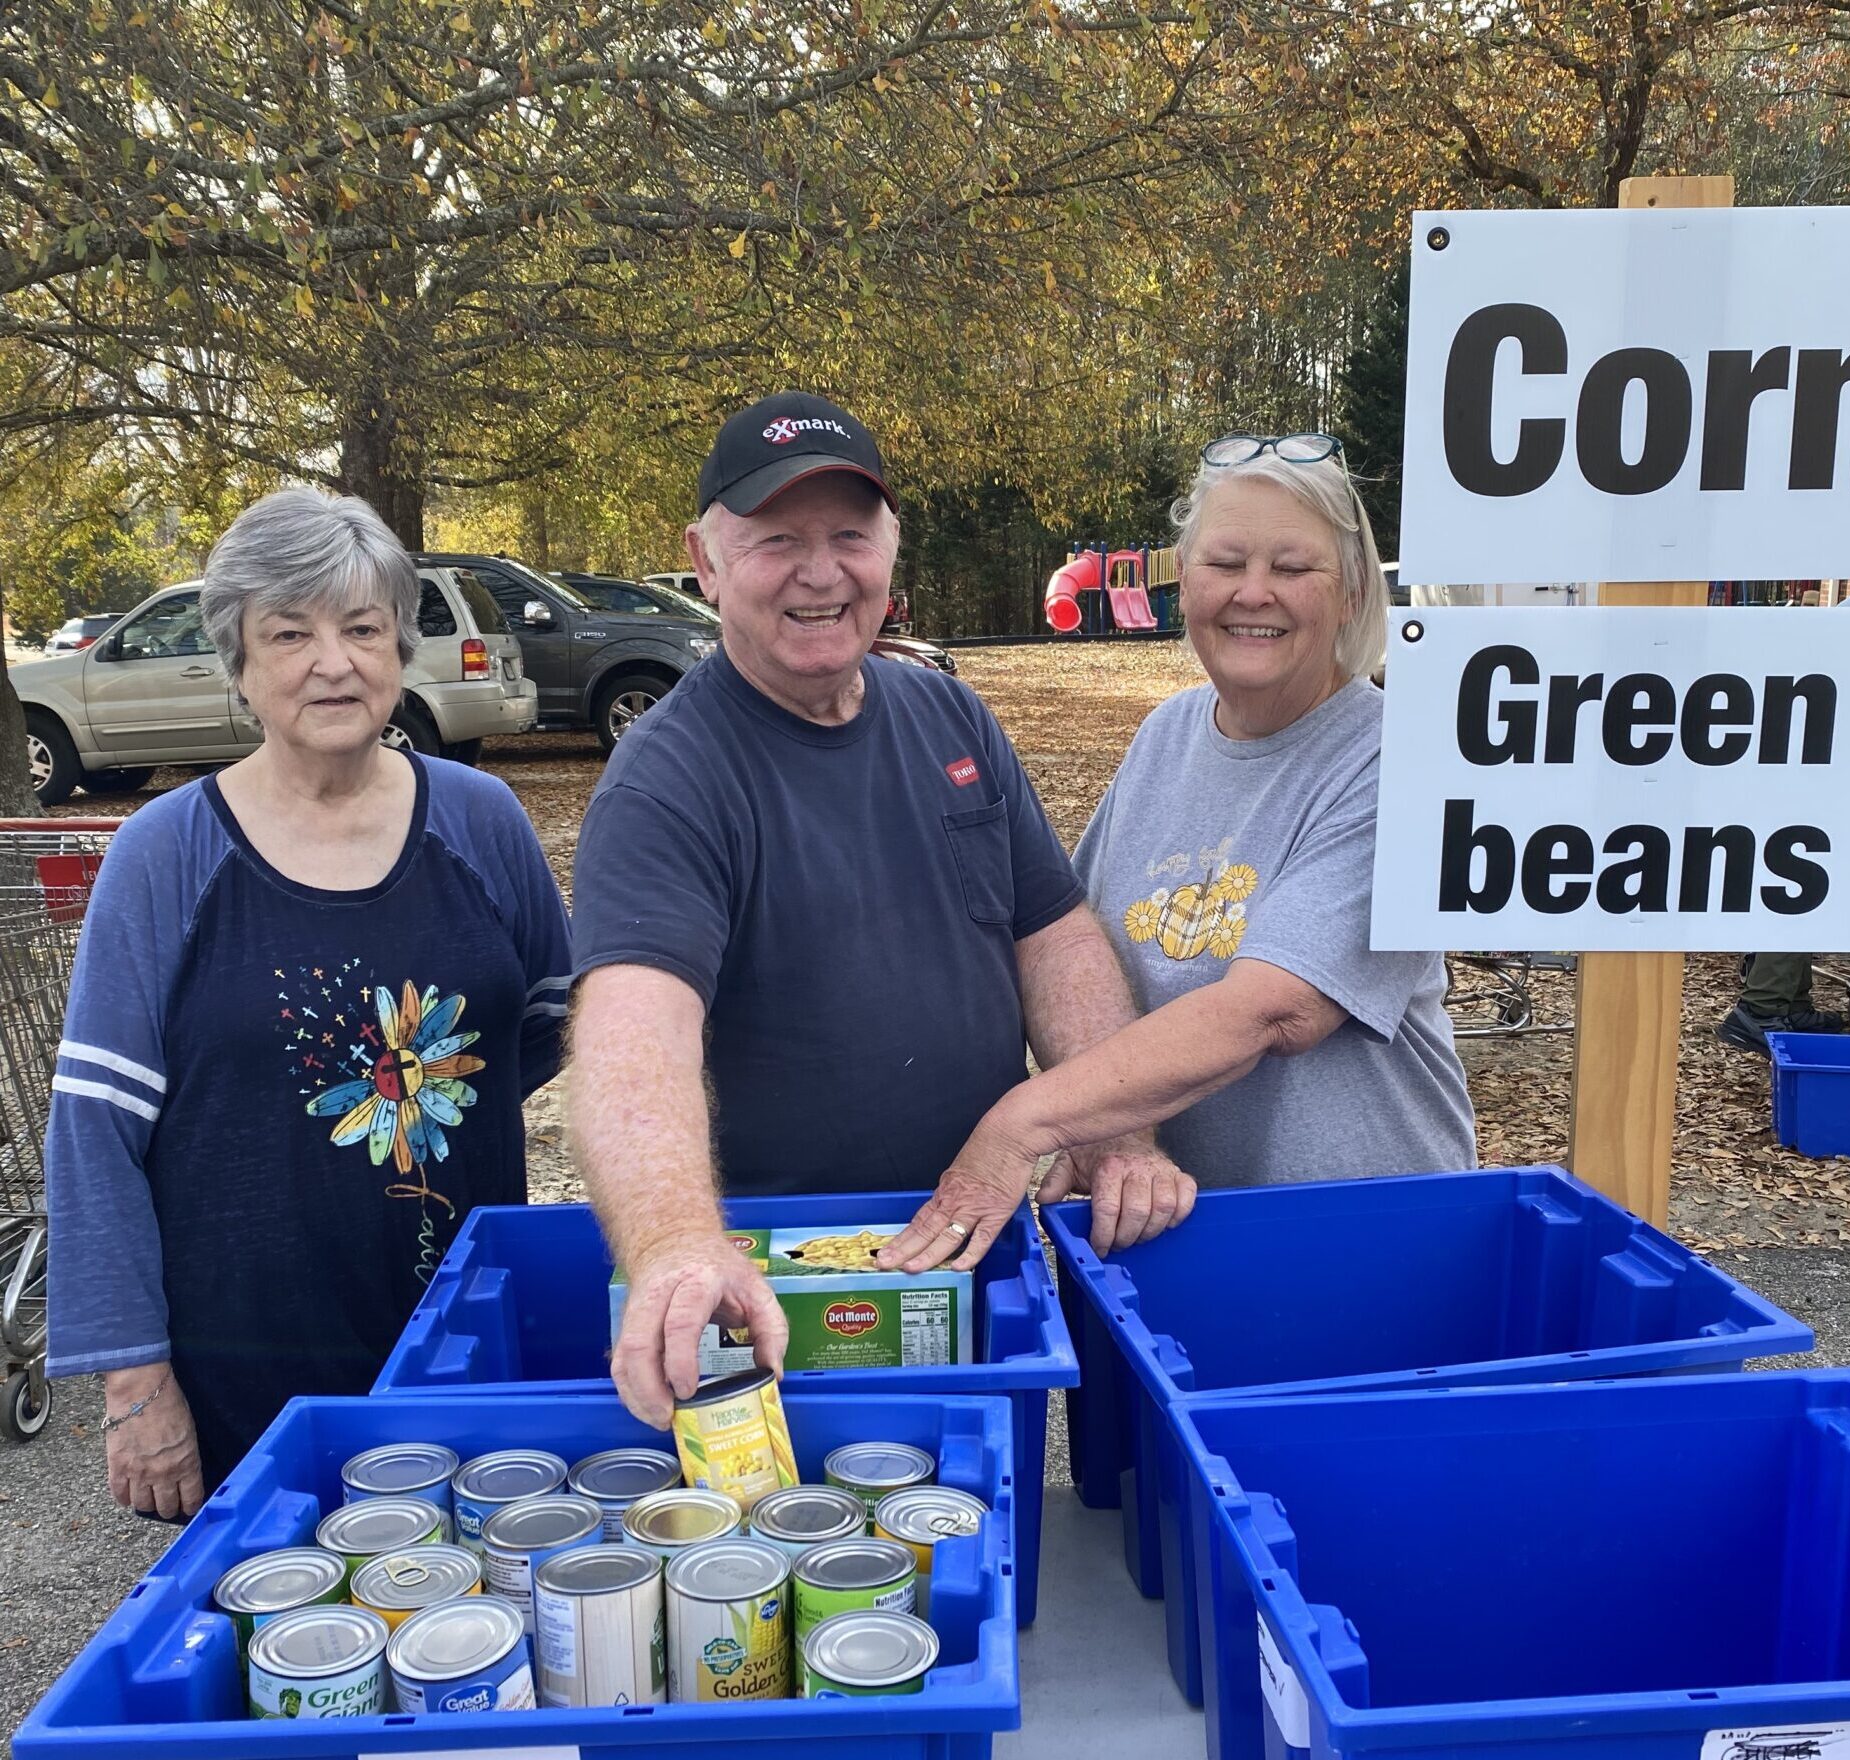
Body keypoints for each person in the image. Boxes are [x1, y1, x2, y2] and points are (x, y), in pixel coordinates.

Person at [567, 393, 1194, 1427]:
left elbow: (1055, 940)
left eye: (849, 537)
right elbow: (634, 1030)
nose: (821, 574)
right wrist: (679, 1241)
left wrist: (1119, 1133)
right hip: (782, 1289)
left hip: (974, 1251)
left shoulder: (947, 713)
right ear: (707, 562)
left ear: (891, 551)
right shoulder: (668, 777)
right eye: (778, 541)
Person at [46, 488, 572, 1519]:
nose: (334, 662)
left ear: (400, 648)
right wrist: (135, 1387)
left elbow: (547, 1024)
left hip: (462, 1339)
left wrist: (424, 1117)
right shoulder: (166, 856)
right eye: (290, 633)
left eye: (363, 627)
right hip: (247, 1370)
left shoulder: (482, 821)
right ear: (238, 661)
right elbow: (94, 1133)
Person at [882, 431, 1476, 1273]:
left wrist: (1025, 1124)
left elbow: (1271, 1011)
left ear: (1349, 594)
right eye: (1225, 561)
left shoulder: (1396, 762)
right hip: (1179, 1241)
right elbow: (1068, 945)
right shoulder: (1166, 736)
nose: (1254, 593)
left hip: (1364, 1249)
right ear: (1184, 581)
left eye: (1293, 567)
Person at [1715, 576, 1850, 1053]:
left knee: (1806, 873)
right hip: (1818, 746)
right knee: (1808, 875)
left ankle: (1788, 1001)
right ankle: (1761, 1008)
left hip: (1812, 740)